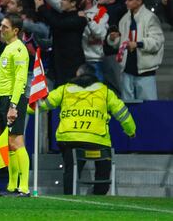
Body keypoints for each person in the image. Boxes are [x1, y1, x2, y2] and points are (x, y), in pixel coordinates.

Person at [38, 63, 136, 195]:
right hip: (97, 140)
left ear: (78, 75)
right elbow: (122, 113)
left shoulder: (64, 89)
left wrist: (21, 110)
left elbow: (42, 104)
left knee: (71, 169)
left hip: (69, 138)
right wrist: (131, 131)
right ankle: (99, 195)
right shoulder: (105, 91)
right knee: (103, 168)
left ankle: (70, 196)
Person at [0, 13, 30, 197]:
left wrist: (13, 105)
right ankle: (12, 186)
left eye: (5, 27)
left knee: (17, 141)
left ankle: (24, 187)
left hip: (15, 99)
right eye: (0, 26)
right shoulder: (8, 48)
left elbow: (20, 79)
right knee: (10, 143)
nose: (0, 29)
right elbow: (3, 82)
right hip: (5, 99)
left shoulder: (19, 49)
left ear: (15, 31)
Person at [107, 0, 164, 100]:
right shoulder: (125, 19)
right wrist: (113, 39)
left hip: (144, 70)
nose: (126, 2)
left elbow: (157, 41)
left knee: (148, 105)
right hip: (127, 68)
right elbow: (122, 43)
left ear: (139, 1)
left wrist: (138, 44)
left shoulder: (150, 18)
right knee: (128, 104)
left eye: (130, 0)